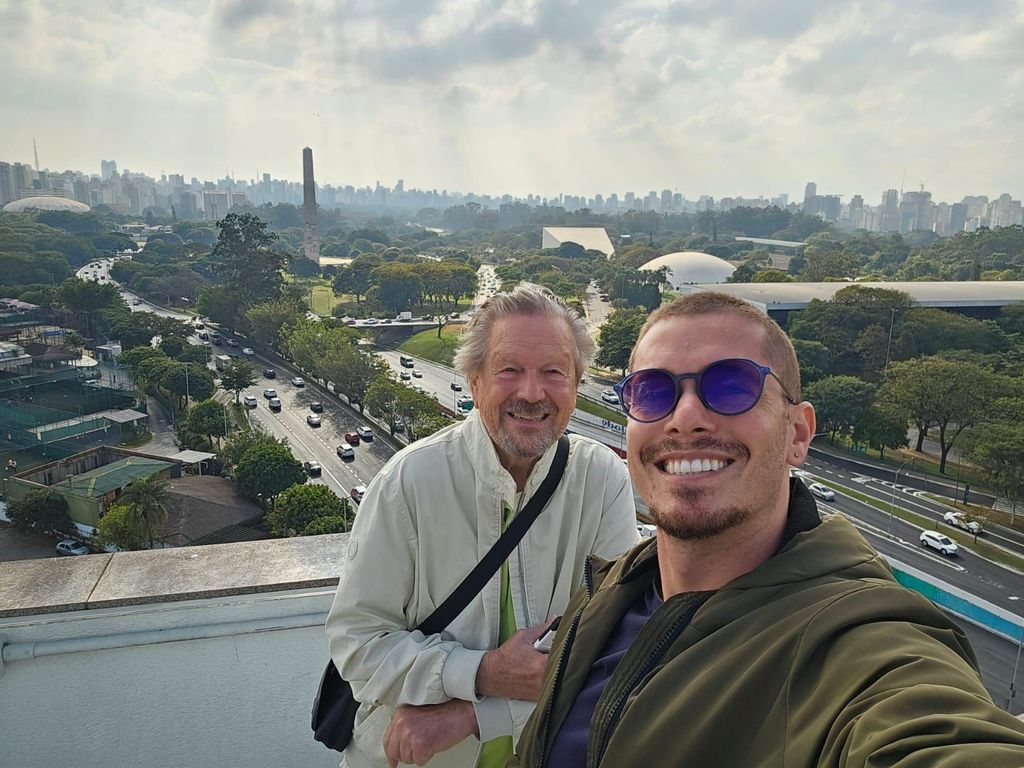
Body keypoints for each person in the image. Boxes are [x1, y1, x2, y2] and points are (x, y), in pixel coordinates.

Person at [515, 291, 1024, 767]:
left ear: (797, 434)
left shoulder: (852, 644)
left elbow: (932, 732)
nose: (686, 417)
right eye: (653, 392)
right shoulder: (608, 592)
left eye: (731, 386)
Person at [326, 283, 639, 768]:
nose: (531, 393)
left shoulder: (602, 480)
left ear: (576, 384)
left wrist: (473, 715)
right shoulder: (410, 481)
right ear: (474, 381)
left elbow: (613, 649)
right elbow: (359, 644)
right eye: (509, 370)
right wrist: (483, 673)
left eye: (553, 373)